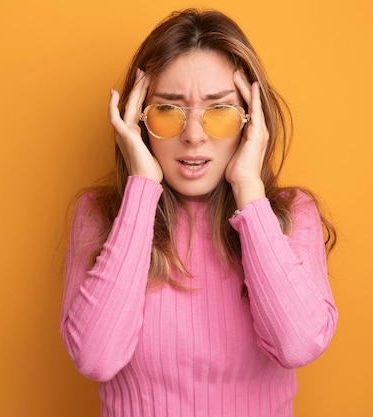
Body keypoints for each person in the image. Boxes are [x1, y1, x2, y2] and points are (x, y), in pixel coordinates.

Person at [60, 8, 338, 416]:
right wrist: (141, 190)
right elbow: (95, 358)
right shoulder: (100, 216)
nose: (193, 135)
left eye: (220, 110)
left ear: (251, 119)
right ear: (138, 120)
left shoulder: (292, 215)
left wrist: (248, 190)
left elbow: (298, 344)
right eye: (169, 110)